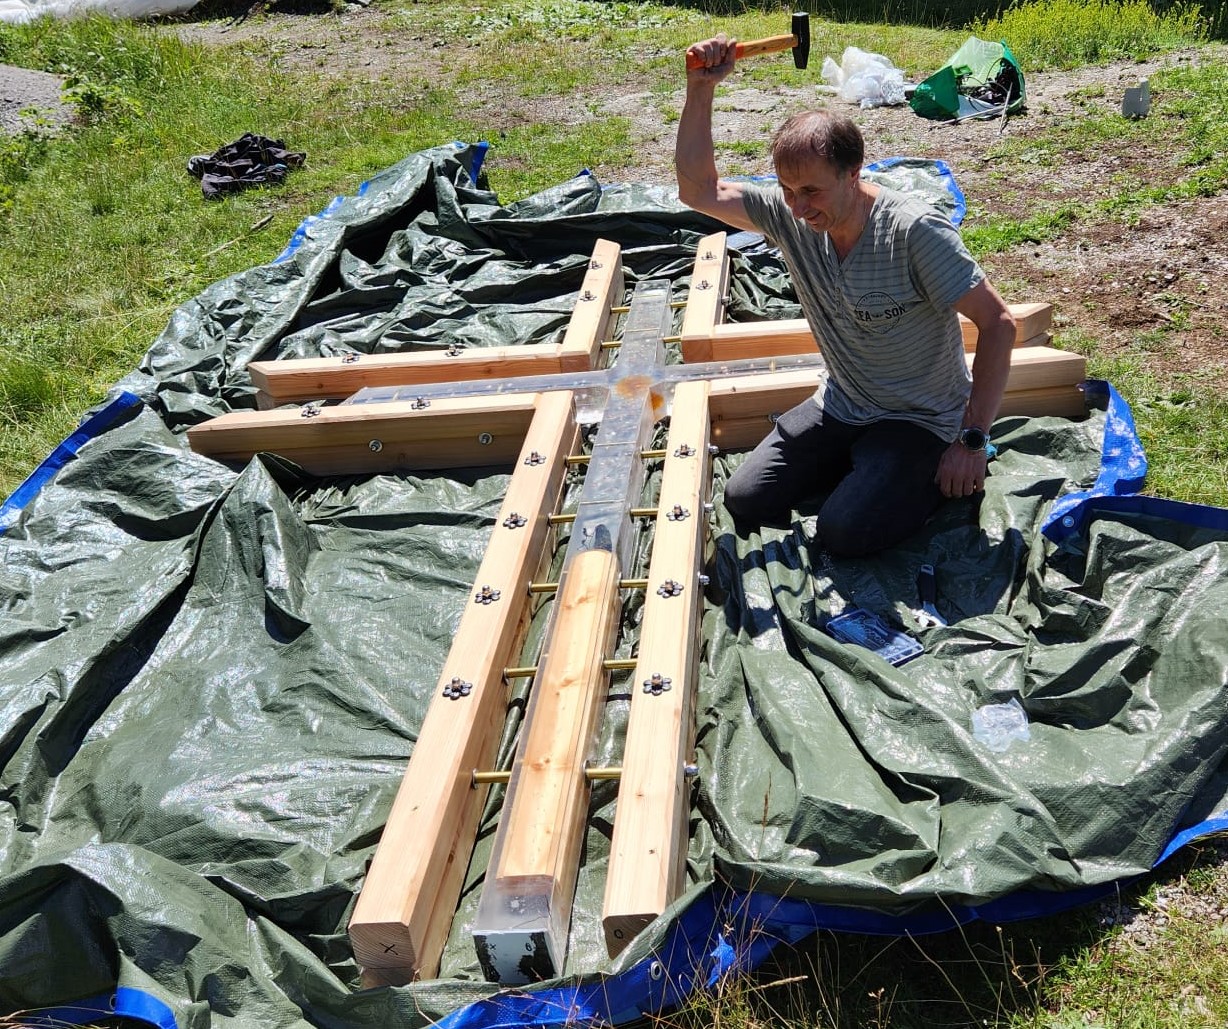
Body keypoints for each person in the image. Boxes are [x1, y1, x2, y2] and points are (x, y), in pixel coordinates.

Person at [677, 35, 1017, 557]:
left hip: (921, 418)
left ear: (854, 173)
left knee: (844, 534)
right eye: (787, 191)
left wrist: (972, 440)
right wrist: (700, 89)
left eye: (811, 191)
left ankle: (904, 470)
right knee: (746, 500)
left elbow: (999, 324)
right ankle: (867, 463)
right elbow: (698, 190)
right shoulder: (789, 218)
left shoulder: (913, 231)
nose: (797, 207)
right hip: (844, 403)